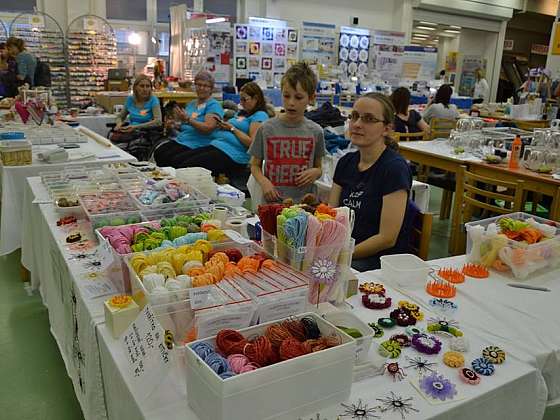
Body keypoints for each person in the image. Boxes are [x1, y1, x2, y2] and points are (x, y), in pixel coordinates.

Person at [328, 93, 412, 271]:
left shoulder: (394, 169)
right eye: (355, 116)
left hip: (378, 264)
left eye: (368, 119)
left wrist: (342, 256)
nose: (357, 124)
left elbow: (387, 238)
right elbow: (332, 216)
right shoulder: (345, 163)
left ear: (386, 129)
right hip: (344, 253)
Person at [249, 62, 325, 205]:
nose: (291, 103)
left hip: (304, 203)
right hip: (272, 202)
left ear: (311, 98)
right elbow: (254, 165)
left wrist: (315, 172)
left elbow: (319, 167)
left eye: (298, 97)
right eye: (286, 96)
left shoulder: (316, 131)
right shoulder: (266, 128)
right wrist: (264, 182)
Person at [169, 82, 270, 177]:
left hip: (233, 154)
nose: (241, 103)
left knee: (186, 165)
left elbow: (252, 143)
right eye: (240, 99)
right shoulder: (243, 113)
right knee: (178, 160)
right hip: (218, 145)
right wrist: (222, 125)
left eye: (244, 99)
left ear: (256, 98)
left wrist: (232, 128)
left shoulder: (260, 115)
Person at [154, 71, 224, 167]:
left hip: (199, 143)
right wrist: (175, 124)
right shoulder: (192, 103)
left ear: (211, 89)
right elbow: (185, 124)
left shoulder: (213, 105)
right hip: (183, 139)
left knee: (173, 159)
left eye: (205, 86)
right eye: (199, 85)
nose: (201, 88)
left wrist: (188, 119)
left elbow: (208, 128)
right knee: (159, 152)